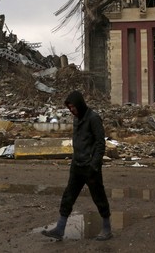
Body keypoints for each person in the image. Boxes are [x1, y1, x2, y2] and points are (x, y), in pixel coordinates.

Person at [42, 90, 112, 241]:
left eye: (73, 107)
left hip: (90, 167)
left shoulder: (93, 118)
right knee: (68, 196)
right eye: (70, 107)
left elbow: (100, 143)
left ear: (80, 104)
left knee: (98, 197)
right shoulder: (76, 119)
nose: (71, 110)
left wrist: (95, 164)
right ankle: (60, 228)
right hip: (77, 165)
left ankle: (107, 228)